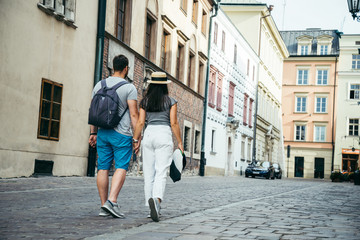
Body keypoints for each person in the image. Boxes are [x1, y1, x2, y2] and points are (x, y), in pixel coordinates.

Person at [89, 54, 140, 218]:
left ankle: (104, 205)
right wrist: (137, 137)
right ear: (126, 69)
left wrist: (93, 133)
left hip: (103, 133)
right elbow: (134, 115)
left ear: (112, 67)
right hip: (122, 134)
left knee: (102, 167)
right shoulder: (129, 88)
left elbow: (93, 111)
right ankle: (112, 201)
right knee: (121, 166)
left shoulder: (99, 85)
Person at [133, 72, 184, 222]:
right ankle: (156, 201)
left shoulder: (145, 101)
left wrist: (136, 139)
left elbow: (140, 123)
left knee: (148, 173)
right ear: (165, 86)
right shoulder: (171, 101)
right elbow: (174, 123)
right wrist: (180, 142)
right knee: (161, 171)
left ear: (151, 84)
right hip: (164, 134)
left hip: (149, 135)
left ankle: (151, 208)